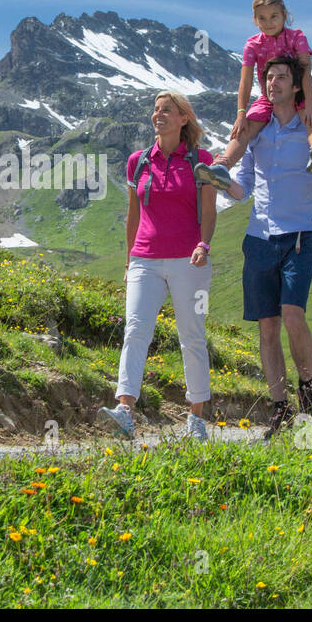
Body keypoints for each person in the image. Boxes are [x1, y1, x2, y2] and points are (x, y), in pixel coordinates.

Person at [224, 57, 312, 437]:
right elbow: (242, 187)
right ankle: (280, 409)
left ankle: (308, 391)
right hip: (259, 236)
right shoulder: (255, 132)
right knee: (267, 327)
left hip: (300, 235)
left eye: (281, 77)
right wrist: (220, 182)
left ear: (298, 86)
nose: (273, 82)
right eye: (268, 77)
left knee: (293, 316)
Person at [98, 92, 220, 442]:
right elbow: (133, 214)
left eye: (167, 110)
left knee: (192, 336)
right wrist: (128, 260)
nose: (158, 115)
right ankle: (125, 410)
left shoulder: (201, 160)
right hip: (144, 260)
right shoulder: (138, 161)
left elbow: (209, 212)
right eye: (155, 109)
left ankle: (196, 418)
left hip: (190, 261)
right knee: (135, 331)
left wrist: (204, 244)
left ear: (184, 119)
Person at [196, 0, 312, 189]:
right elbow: (246, 81)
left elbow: (306, 69)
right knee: (245, 127)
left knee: (310, 117)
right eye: (262, 18)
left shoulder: (296, 37)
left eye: (274, 16)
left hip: (299, 88)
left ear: (284, 15)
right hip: (269, 96)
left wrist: (310, 102)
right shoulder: (252, 44)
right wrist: (241, 113)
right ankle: (222, 167)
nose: (268, 22)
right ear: (255, 20)